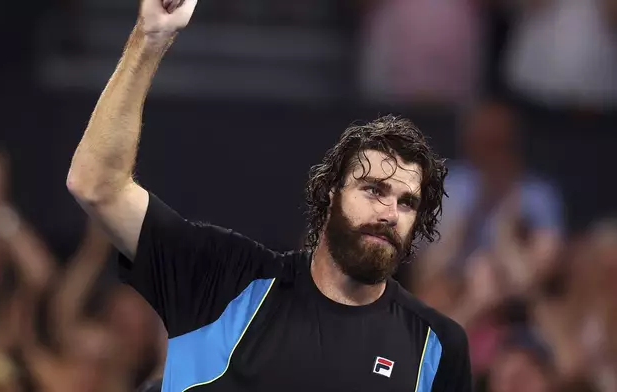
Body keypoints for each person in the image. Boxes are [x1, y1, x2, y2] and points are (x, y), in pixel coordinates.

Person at [66, 0, 472, 391]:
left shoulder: (435, 347)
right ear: (331, 194)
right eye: (373, 190)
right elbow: (96, 184)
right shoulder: (223, 277)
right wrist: (149, 38)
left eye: (408, 203)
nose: (389, 212)